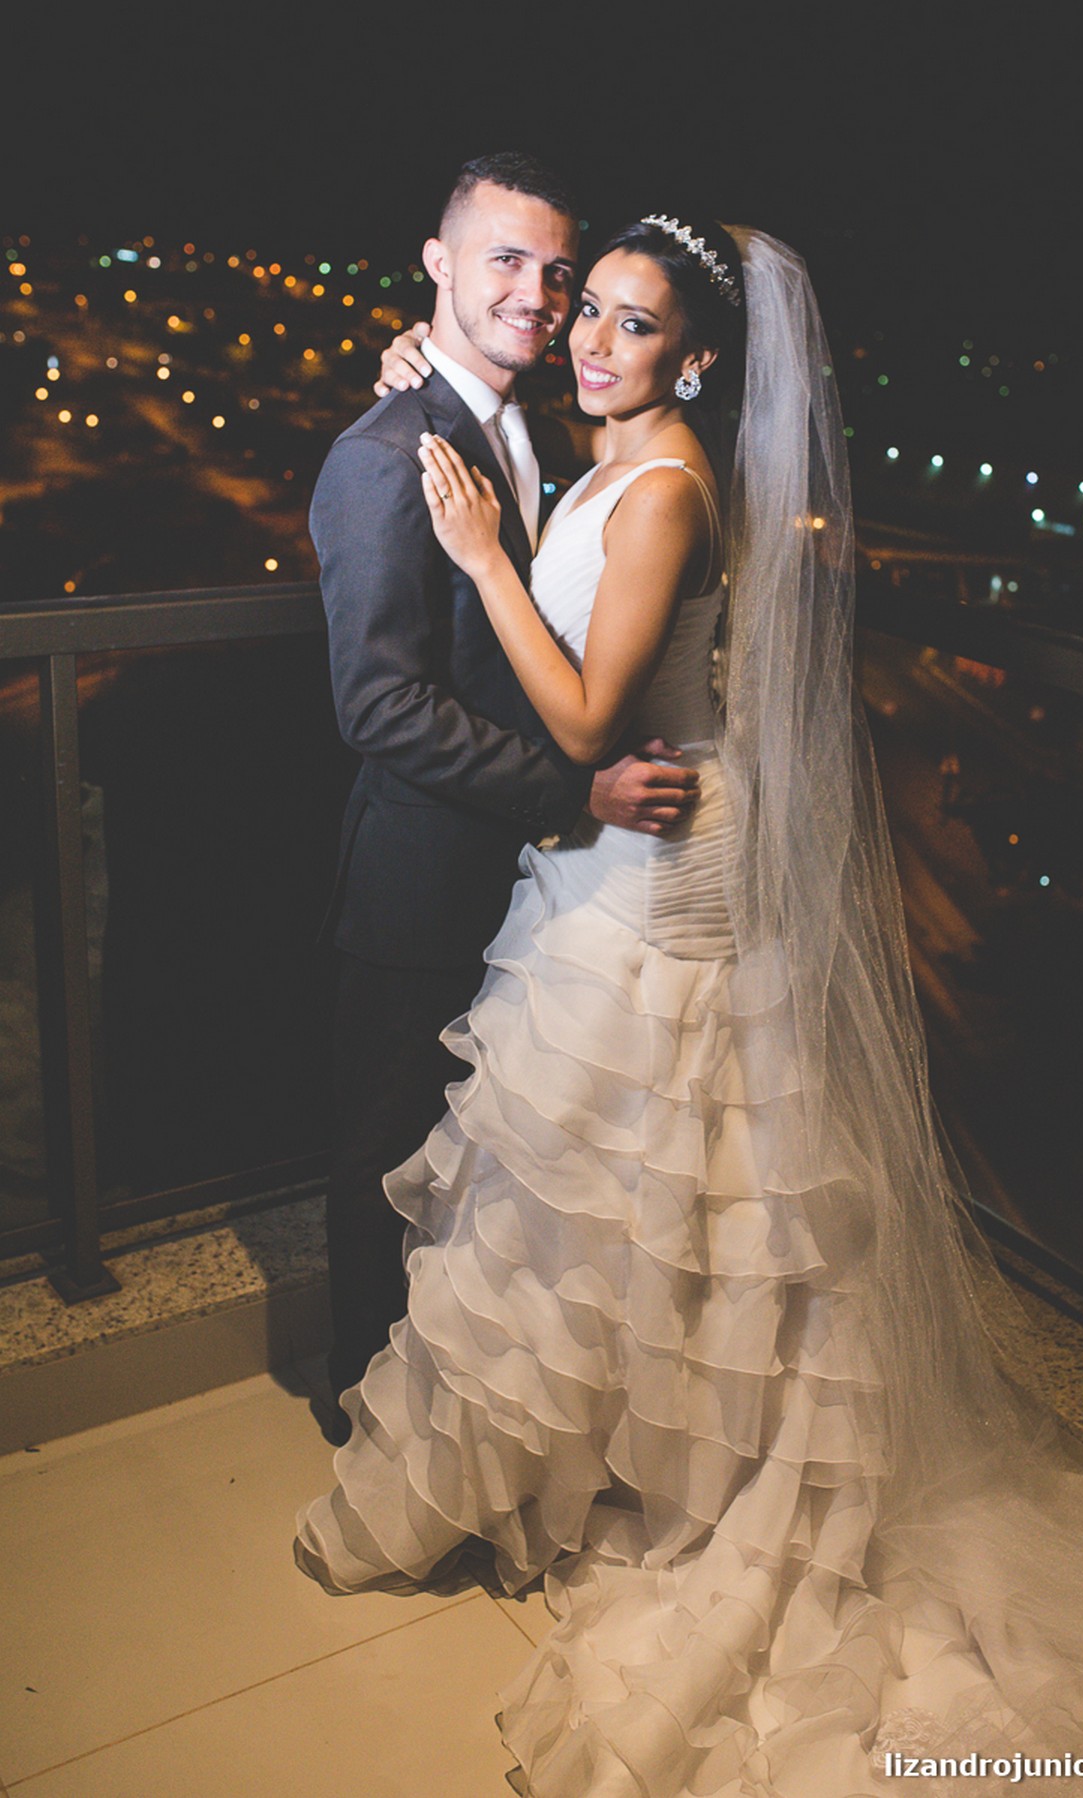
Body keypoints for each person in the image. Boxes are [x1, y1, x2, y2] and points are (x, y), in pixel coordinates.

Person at [299, 218, 1083, 1794]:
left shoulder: (668, 489)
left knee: (676, 1176)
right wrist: (440, 400)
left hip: (660, 860)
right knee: (625, 1184)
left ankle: (685, 1480)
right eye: (590, 311)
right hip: (617, 847)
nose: (590, 340)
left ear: (696, 360)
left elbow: (584, 711)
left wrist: (486, 562)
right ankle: (605, 1455)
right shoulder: (595, 454)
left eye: (633, 328)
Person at [311, 154, 700, 1411]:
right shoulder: (385, 452)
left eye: (556, 272)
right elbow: (380, 705)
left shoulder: (539, 430)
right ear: (437, 263)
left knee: (490, 1161)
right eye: (504, 260)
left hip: (537, 889)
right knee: (386, 1148)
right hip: (428, 872)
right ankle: (360, 1404)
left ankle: (461, 1397)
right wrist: (567, 794)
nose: (538, 295)